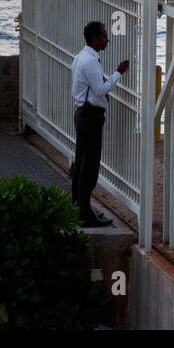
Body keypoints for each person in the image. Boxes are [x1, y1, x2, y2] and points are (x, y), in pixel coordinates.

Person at [70, 20, 130, 227]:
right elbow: (100, 89)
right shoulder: (90, 62)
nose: (107, 39)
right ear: (95, 39)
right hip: (90, 117)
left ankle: (78, 208)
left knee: (81, 162)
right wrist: (118, 72)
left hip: (82, 113)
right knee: (89, 166)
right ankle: (85, 214)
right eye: (104, 36)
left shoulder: (80, 58)